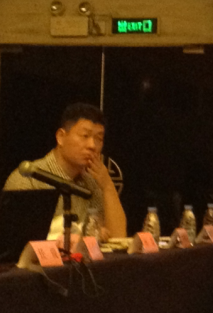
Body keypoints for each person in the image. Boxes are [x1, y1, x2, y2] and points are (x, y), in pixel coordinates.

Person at [2, 103, 127, 241]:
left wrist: (108, 186)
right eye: (85, 136)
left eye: (99, 139)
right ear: (61, 137)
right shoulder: (29, 179)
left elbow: (118, 238)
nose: (92, 145)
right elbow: (19, 241)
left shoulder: (91, 183)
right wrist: (84, 234)